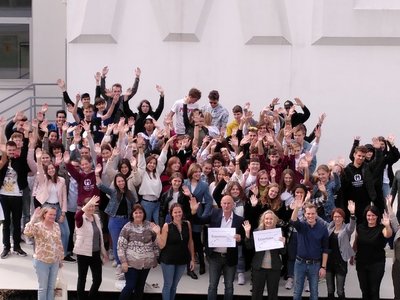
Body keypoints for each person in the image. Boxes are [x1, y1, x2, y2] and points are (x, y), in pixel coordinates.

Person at [189, 195, 245, 300]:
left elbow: (243, 240)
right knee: (212, 286)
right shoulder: (214, 214)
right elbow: (199, 221)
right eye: (224, 203)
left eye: (229, 203)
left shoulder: (239, 220)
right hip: (215, 257)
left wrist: (240, 239)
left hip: (230, 257)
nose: (226, 205)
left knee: (229, 286)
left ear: (233, 205)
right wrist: (194, 212)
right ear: (220, 204)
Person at [117, 204, 160, 300]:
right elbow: (120, 246)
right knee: (130, 286)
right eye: (136, 212)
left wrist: (156, 258)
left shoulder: (150, 226)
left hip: (147, 263)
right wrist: (123, 261)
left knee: (140, 287)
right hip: (131, 263)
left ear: (144, 214)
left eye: (140, 212)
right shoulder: (127, 227)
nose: (138, 214)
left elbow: (155, 244)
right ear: (132, 214)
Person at [290, 199, 329, 300]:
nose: (310, 216)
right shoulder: (301, 225)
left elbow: (325, 249)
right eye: (308, 214)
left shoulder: (323, 228)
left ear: (316, 214)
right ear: (304, 214)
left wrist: (323, 267)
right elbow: (293, 221)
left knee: (314, 292)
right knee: (297, 291)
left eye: (312, 214)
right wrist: (297, 208)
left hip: (315, 264)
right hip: (300, 263)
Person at [24, 206, 64, 300]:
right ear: (44, 214)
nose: (53, 216)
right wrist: (33, 219)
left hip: (54, 261)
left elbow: (58, 243)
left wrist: (60, 259)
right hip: (42, 261)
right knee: (43, 288)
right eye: (50, 214)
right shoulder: (38, 226)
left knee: (51, 288)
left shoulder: (56, 225)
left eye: (54, 214)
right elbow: (27, 232)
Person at [352, 205, 392, 300]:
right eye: (369, 215)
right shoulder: (360, 227)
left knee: (374, 290)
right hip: (361, 263)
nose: (371, 217)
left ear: (377, 216)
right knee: (364, 290)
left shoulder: (381, 228)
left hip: (377, 264)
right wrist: (352, 255)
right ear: (365, 216)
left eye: (373, 215)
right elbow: (356, 242)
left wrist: (387, 225)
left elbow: (388, 234)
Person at [243, 210, 285, 300]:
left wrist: (283, 244)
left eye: (271, 219)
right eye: (266, 219)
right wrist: (247, 233)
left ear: (274, 220)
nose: (268, 221)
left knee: (273, 295)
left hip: (274, 269)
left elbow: (283, 252)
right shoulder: (257, 231)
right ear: (263, 220)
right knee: (256, 294)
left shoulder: (279, 232)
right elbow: (249, 246)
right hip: (258, 268)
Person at [157, 203, 195, 300]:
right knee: (168, 285)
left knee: (174, 285)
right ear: (171, 214)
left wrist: (192, 259)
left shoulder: (187, 224)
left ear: (182, 213)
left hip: (182, 259)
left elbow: (190, 242)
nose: (178, 214)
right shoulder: (167, 226)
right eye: (175, 212)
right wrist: (158, 233)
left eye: (179, 212)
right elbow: (161, 245)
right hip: (168, 259)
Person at [74, 196, 108, 300]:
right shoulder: (81, 218)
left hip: (96, 253)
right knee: (82, 279)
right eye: (89, 206)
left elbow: (100, 236)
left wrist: (103, 252)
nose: (91, 208)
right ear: (84, 206)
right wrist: (87, 205)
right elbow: (77, 216)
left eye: (93, 206)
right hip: (83, 253)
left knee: (98, 279)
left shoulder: (96, 218)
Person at [324, 202, 356, 300]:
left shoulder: (346, 229)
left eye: (339, 216)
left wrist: (352, 213)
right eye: (335, 216)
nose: (337, 218)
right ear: (333, 217)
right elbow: (320, 220)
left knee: (340, 290)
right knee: (330, 290)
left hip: (341, 262)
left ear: (343, 218)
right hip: (329, 263)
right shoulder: (330, 228)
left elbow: (352, 226)